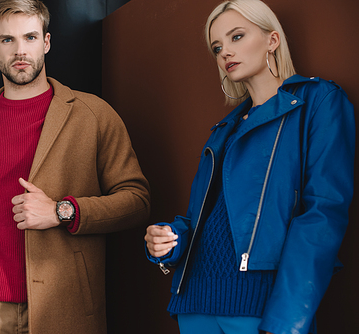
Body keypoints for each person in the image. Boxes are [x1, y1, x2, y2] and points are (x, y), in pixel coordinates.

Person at [0, 0, 150, 333]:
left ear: (46, 42)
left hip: (65, 307)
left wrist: (62, 211)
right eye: (8, 40)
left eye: (30, 37)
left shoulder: (93, 115)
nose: (20, 51)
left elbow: (137, 201)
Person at [144, 1, 355, 333]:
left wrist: (287, 321)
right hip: (195, 303)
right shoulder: (223, 130)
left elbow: (323, 215)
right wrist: (171, 240)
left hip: (259, 307)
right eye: (217, 47)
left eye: (237, 36)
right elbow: (207, 218)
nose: (225, 52)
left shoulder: (318, 101)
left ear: (272, 40)